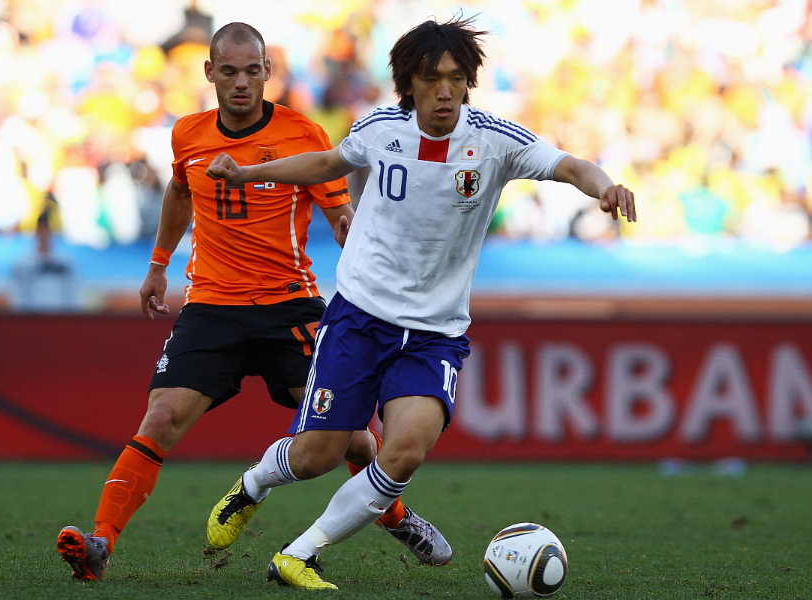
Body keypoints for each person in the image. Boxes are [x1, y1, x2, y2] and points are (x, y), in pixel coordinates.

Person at [205, 16, 637, 591]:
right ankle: (254, 486)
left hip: (434, 333)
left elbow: (568, 165)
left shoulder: (494, 141)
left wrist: (604, 185)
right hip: (360, 317)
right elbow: (328, 164)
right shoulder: (381, 129)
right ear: (410, 82)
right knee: (314, 456)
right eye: (432, 78)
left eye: (456, 78)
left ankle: (300, 553)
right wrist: (247, 173)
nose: (445, 91)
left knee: (404, 452)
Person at [55, 22, 450, 582]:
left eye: (252, 71)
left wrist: (350, 230)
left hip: (289, 305)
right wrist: (158, 265)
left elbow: (338, 208)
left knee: (354, 439)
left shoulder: (303, 134)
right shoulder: (188, 134)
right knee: (160, 417)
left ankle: (397, 517)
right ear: (210, 73)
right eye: (230, 71)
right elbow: (179, 191)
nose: (241, 83)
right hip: (211, 308)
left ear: (267, 72)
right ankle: (100, 542)